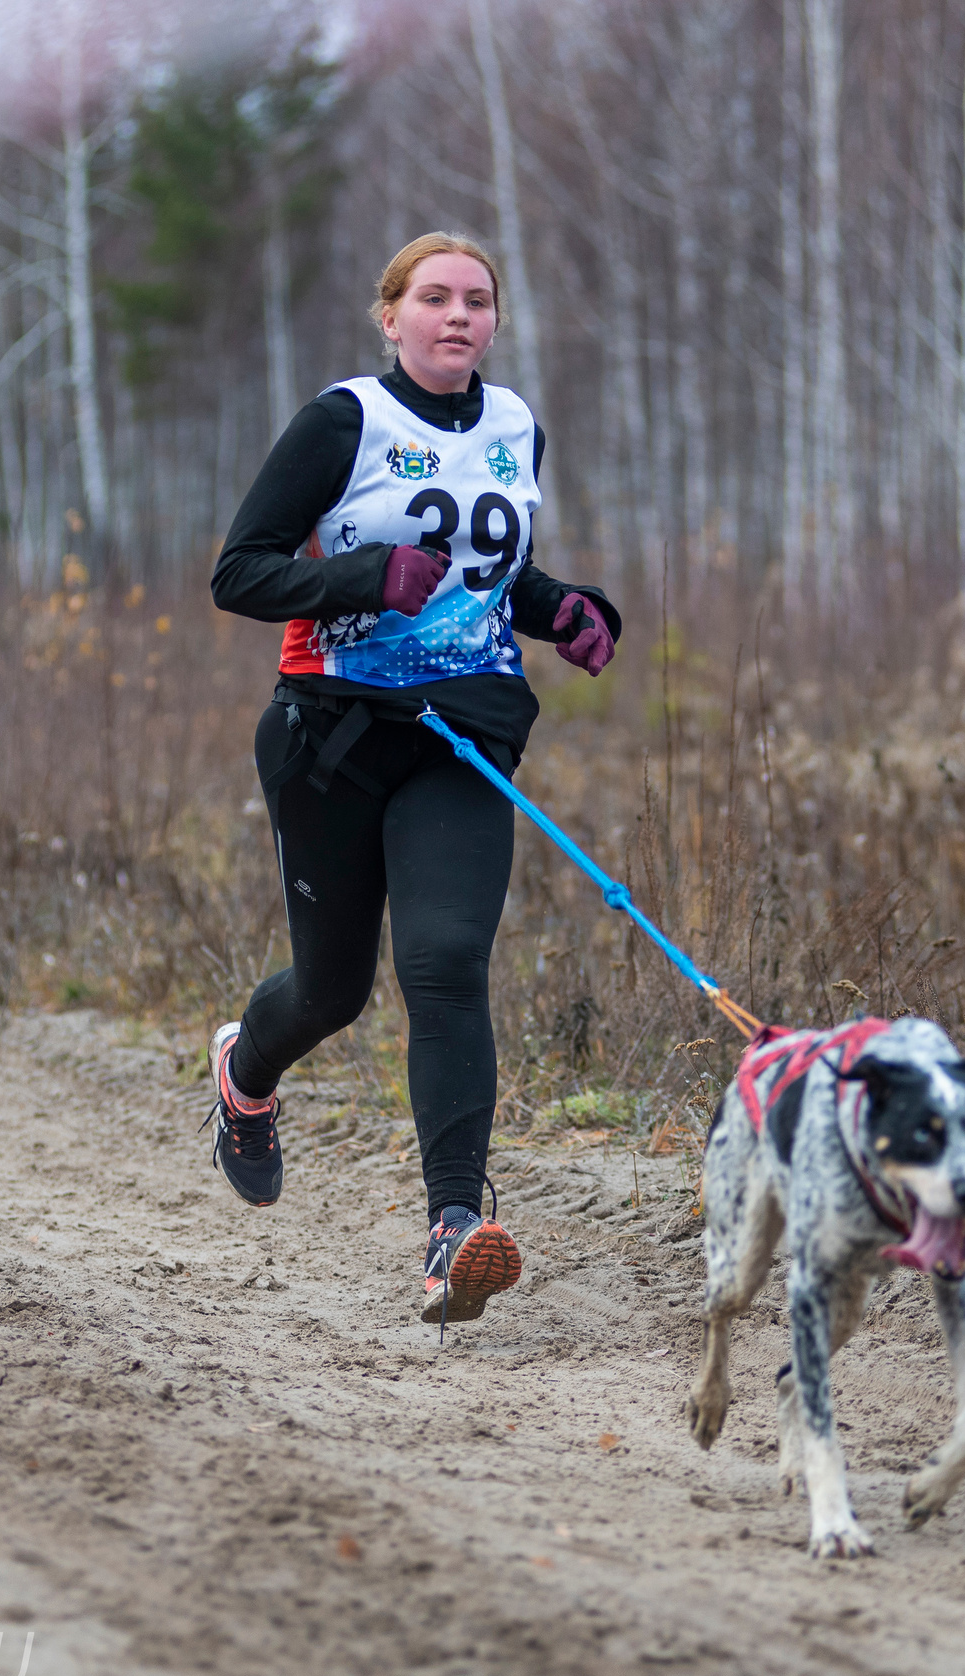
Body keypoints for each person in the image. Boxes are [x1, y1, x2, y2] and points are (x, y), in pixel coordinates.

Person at [205, 231, 620, 1328]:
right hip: (331, 736)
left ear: (495, 321)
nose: (457, 315)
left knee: (444, 964)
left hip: (459, 737)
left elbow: (494, 574)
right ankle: (245, 1073)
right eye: (433, 297)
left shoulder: (516, 427)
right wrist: (359, 575)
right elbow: (239, 572)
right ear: (390, 317)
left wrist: (565, 609)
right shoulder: (342, 422)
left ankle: (453, 1227)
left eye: (477, 300)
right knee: (332, 990)